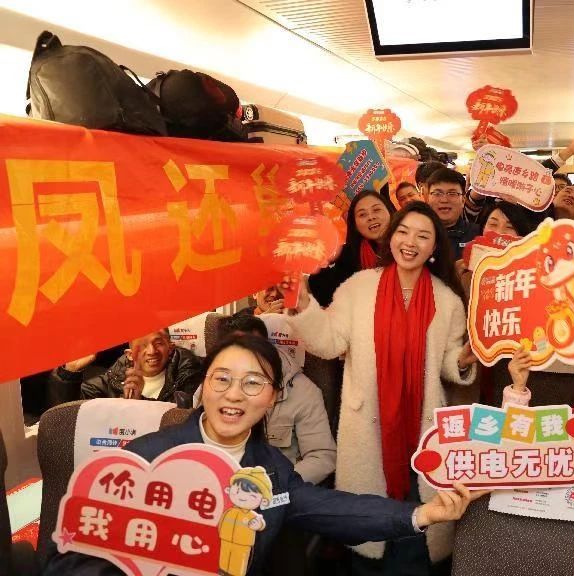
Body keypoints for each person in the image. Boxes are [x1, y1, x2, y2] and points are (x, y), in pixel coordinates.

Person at [42, 335, 484, 576]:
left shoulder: (270, 472)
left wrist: (422, 514)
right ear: (202, 387)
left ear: (272, 397)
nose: (234, 394)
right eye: (222, 379)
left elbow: (334, 509)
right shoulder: (144, 458)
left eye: (253, 383)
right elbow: (75, 555)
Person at [287, 201, 477, 572]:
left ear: (434, 247)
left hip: (422, 427)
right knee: (367, 527)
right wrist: (304, 305)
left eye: (423, 236)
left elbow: (446, 361)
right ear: (391, 238)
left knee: (418, 525)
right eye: (403, 232)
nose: (410, 242)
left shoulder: (447, 300)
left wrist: (464, 359)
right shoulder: (358, 288)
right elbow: (329, 342)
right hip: (367, 425)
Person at [194, 312, 337, 484]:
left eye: (253, 348)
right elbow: (196, 439)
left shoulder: (303, 391)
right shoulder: (210, 385)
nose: (245, 357)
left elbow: (322, 456)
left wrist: (270, 484)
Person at [51, 329, 202, 406]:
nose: (151, 351)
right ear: (130, 355)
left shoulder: (191, 375)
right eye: (142, 345)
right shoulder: (112, 380)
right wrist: (69, 373)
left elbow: (180, 419)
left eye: (158, 343)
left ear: (171, 348)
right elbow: (66, 416)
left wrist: (136, 403)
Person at [309, 189, 395, 307]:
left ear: (389, 211)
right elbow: (324, 293)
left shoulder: (411, 240)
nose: (371, 217)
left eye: (376, 210)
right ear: (355, 225)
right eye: (362, 214)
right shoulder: (350, 255)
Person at [426, 167, 480, 259]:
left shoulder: (477, 235)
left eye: (452, 194)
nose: (444, 200)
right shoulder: (416, 233)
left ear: (463, 200)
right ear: (427, 199)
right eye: (437, 193)